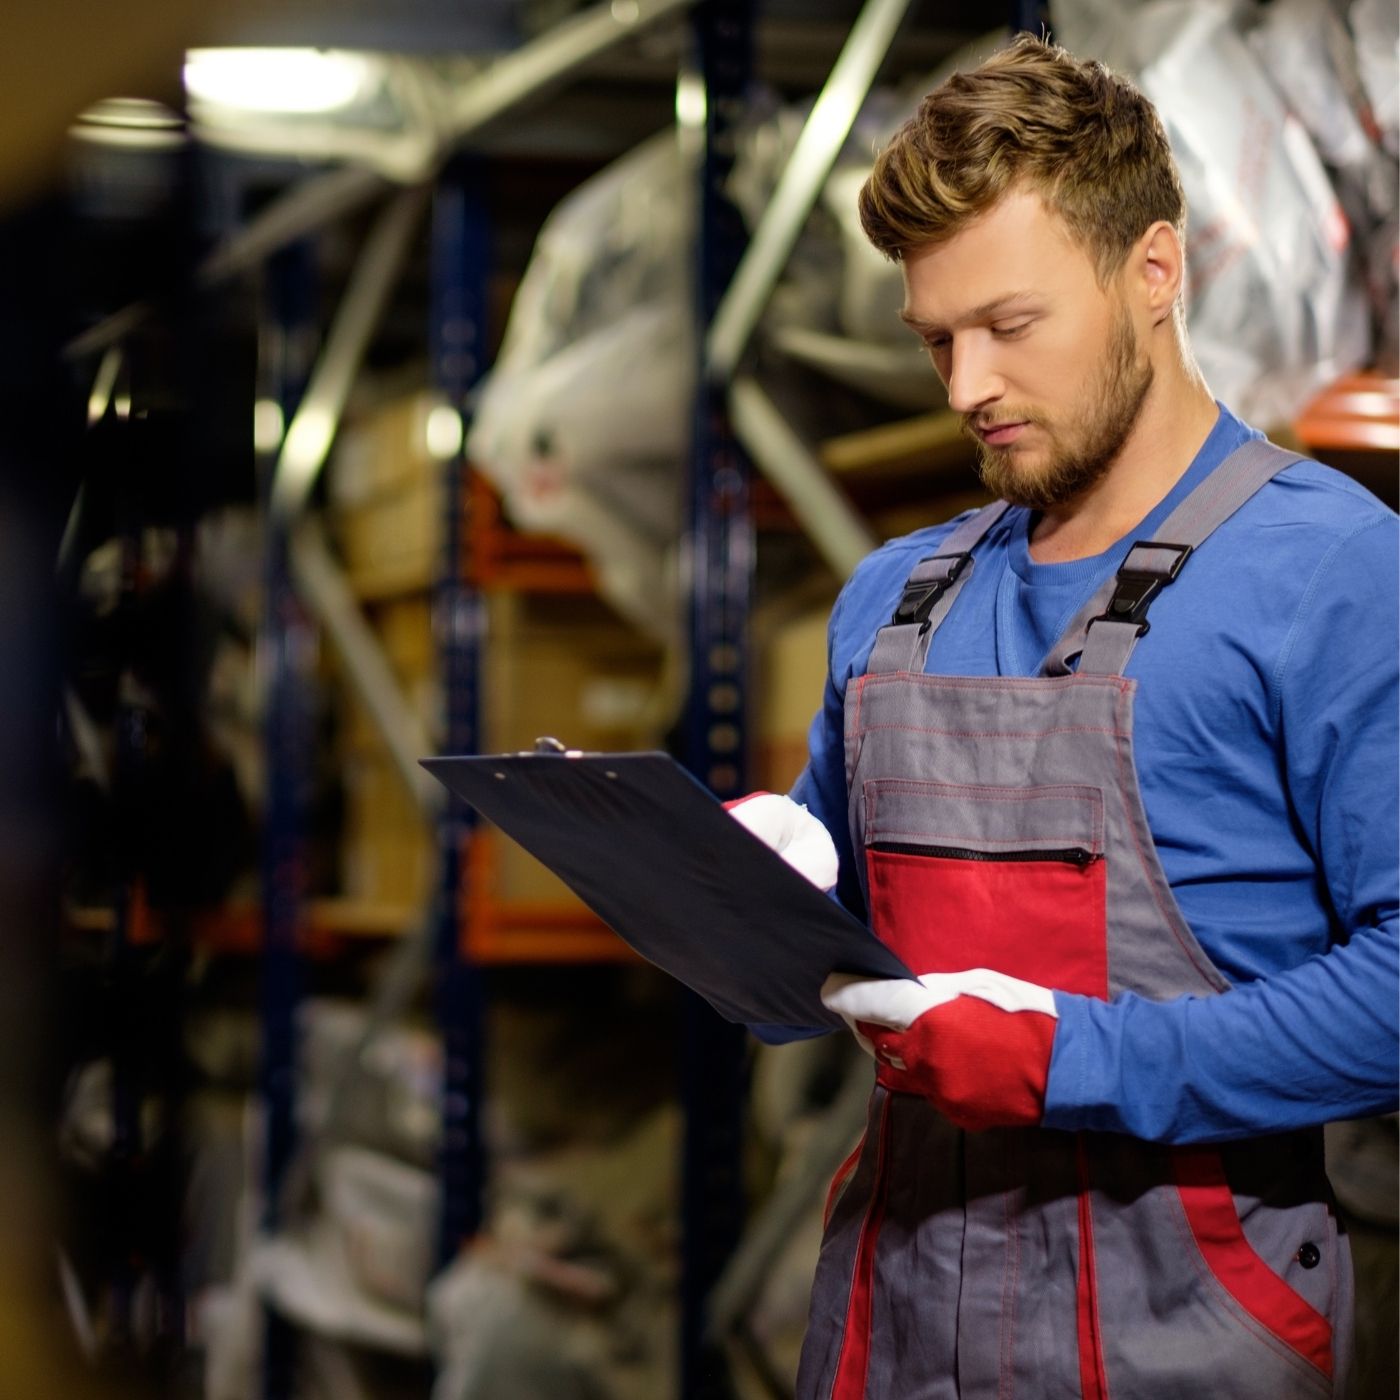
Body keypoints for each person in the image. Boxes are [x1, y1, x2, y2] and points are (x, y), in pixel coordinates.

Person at [737, 33, 1399, 1400]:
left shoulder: (1331, 572)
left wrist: (1068, 1061)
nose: (967, 383)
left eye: (1011, 325)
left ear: (1156, 270)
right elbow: (846, 949)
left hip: (1184, 1330)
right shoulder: (889, 600)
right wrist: (770, 873)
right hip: (891, 1325)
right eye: (937, 339)